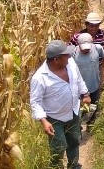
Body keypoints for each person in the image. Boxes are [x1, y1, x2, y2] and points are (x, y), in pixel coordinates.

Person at [30, 40, 91, 169]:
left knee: (74, 141)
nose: (70, 56)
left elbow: (78, 79)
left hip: (74, 111)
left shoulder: (71, 64)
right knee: (58, 147)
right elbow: (35, 101)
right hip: (54, 118)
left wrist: (85, 94)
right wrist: (44, 121)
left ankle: (74, 165)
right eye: (66, 55)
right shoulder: (40, 78)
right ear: (56, 59)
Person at [72, 32, 104, 131]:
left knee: (93, 106)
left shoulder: (97, 48)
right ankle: (77, 127)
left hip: (94, 84)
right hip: (78, 88)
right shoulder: (73, 53)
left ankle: (90, 125)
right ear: (78, 45)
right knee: (78, 109)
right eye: (84, 48)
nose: (86, 50)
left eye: (88, 48)